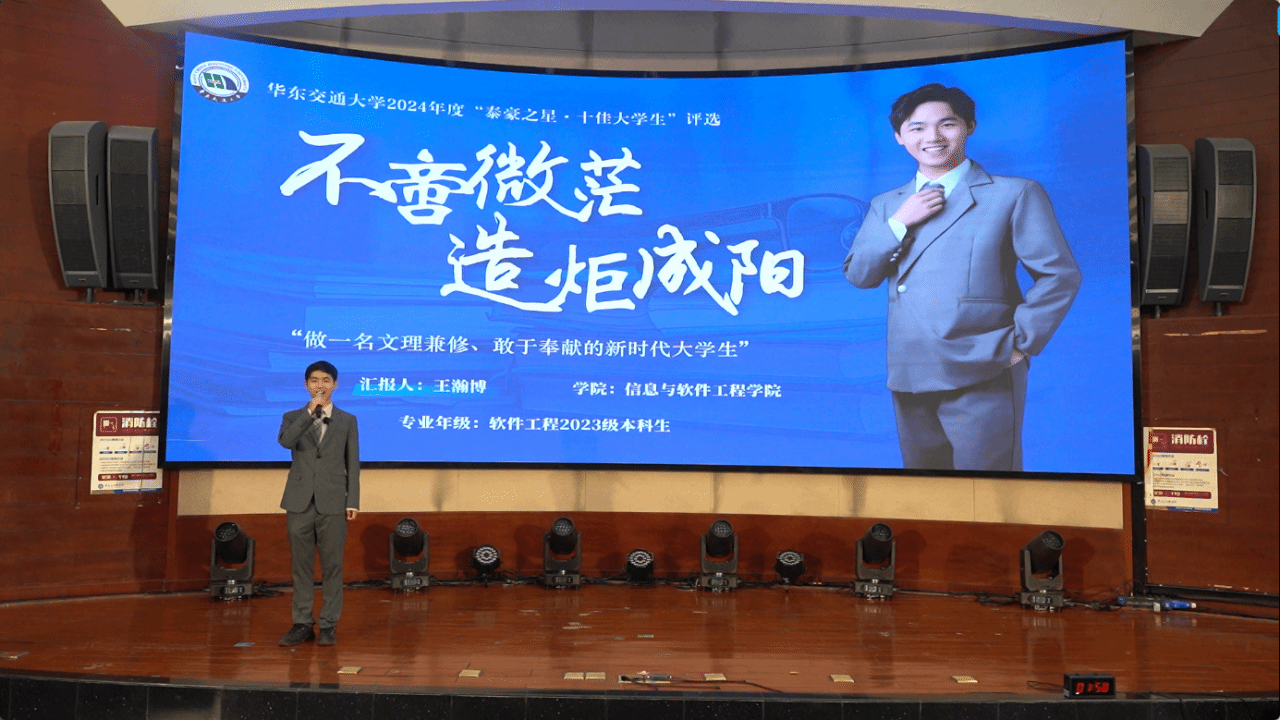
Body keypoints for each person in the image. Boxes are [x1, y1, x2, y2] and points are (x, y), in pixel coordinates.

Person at [843, 83, 1081, 471]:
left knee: (987, 489)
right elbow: (859, 274)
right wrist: (899, 222)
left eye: (947, 124)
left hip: (983, 364)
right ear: (899, 136)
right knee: (924, 491)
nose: (933, 137)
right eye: (917, 127)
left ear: (970, 126)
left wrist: (1019, 343)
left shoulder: (1013, 194)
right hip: (909, 369)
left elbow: (1059, 274)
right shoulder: (887, 205)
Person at [277, 360, 360, 646]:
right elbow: (286, 442)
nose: (320, 385)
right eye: (314, 380)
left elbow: (353, 463)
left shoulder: (347, 420)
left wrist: (353, 500)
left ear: (335, 384)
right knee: (301, 567)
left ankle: (328, 624)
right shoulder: (292, 417)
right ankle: (302, 623)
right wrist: (309, 412)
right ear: (306, 385)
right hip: (298, 501)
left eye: (326, 380)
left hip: (334, 502)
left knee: (333, 566)